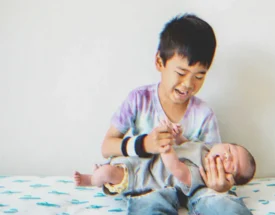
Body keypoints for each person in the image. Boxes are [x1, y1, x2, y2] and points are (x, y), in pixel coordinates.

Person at [96, 13, 237, 213]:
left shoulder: (204, 114)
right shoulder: (139, 100)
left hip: (195, 186)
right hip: (150, 184)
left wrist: (220, 183)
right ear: (159, 62)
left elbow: (213, 160)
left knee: (223, 204)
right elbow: (107, 146)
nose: (188, 84)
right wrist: (145, 144)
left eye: (199, 76)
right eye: (181, 73)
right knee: (148, 205)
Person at [74, 142, 256, 215]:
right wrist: (178, 136)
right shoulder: (203, 146)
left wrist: (167, 150)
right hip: (141, 163)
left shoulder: (201, 174)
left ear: (230, 179)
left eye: (231, 164)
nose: (226, 157)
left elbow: (178, 171)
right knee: (109, 171)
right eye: (230, 150)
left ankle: (93, 179)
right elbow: (187, 144)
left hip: (148, 181)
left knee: (108, 174)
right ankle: (94, 177)